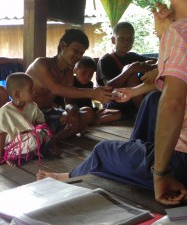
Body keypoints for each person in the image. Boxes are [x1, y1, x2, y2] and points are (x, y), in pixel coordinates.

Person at [37, 1, 187, 206]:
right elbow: (60, 91)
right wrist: (131, 87)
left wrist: (160, 174)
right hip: (41, 116)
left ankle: (71, 175)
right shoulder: (47, 63)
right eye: (76, 51)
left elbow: (173, 102)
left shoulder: (179, 31)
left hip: (180, 165)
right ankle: (134, 153)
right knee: (152, 99)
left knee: (103, 150)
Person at [26, 29, 114, 142]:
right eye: (76, 50)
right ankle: (44, 141)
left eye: (81, 53)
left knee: (87, 112)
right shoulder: (41, 64)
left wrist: (72, 111)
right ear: (63, 46)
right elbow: (55, 88)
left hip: (47, 115)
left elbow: (69, 102)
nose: (78, 55)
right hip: (28, 116)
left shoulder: (68, 73)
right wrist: (92, 92)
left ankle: (52, 141)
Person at [0, 73, 60, 166]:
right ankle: (12, 155)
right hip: (15, 143)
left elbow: (41, 123)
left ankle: (44, 149)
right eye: (30, 89)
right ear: (17, 94)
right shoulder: (4, 111)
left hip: (32, 136)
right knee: (33, 140)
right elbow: (0, 134)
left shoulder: (33, 106)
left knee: (44, 131)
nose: (34, 92)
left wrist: (46, 138)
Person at [96, 22, 157, 119]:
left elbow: (154, 62)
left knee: (156, 75)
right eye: (122, 38)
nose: (126, 42)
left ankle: (147, 112)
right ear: (113, 40)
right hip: (115, 102)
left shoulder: (133, 56)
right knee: (131, 77)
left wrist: (150, 65)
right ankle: (145, 116)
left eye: (130, 39)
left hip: (133, 100)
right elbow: (108, 86)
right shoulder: (105, 60)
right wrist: (129, 70)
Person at [73, 56, 121, 125]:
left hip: (91, 111)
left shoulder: (90, 84)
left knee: (117, 113)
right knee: (87, 112)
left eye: (90, 74)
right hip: (79, 113)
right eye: (83, 73)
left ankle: (93, 122)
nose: (87, 77)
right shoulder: (71, 82)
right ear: (75, 70)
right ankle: (90, 121)